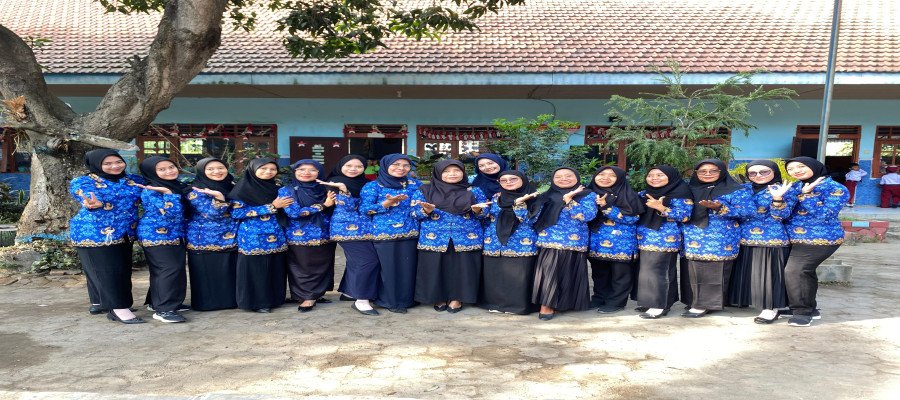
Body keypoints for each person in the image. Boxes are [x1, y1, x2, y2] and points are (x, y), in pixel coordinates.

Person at [70, 149, 145, 324]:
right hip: (95, 232)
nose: (115, 166)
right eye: (107, 163)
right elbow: (85, 195)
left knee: (121, 269)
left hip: (125, 231)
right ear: (96, 165)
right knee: (108, 270)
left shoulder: (133, 180)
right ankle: (118, 308)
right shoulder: (84, 181)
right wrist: (92, 203)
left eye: (118, 162)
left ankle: (99, 302)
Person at [411, 160, 489, 313]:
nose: (452, 174)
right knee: (435, 268)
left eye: (456, 170)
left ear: (463, 172)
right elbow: (414, 213)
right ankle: (438, 297)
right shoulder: (425, 190)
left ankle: (457, 298)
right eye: (446, 171)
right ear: (438, 173)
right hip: (434, 237)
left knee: (463, 268)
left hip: (466, 237)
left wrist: (478, 211)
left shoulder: (474, 191)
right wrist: (425, 211)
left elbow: (484, 213)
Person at [782, 157, 849, 327]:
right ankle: (810, 309)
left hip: (820, 239)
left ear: (814, 166)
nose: (796, 171)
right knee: (806, 273)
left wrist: (807, 195)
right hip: (794, 238)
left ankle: (802, 313)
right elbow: (784, 212)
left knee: (795, 271)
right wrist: (778, 199)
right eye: (791, 169)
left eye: (801, 166)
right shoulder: (794, 186)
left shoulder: (835, 188)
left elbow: (824, 215)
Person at [681, 159, 752, 318]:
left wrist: (721, 208)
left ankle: (705, 305)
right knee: (693, 270)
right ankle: (693, 300)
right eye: (702, 171)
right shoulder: (689, 189)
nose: (707, 174)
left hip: (720, 237)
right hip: (692, 236)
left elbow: (747, 212)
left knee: (713, 271)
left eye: (713, 171)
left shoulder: (736, 190)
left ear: (722, 171)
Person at [732, 160, 797, 323]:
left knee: (769, 276)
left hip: (771, 239)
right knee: (750, 273)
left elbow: (782, 215)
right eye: (753, 173)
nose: (758, 176)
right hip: (744, 238)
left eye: (764, 172)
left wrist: (777, 198)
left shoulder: (785, 189)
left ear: (774, 172)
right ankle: (745, 300)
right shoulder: (743, 188)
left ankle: (771, 308)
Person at [531, 167, 598, 321]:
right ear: (553, 179)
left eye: (568, 176)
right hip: (548, 240)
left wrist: (569, 200)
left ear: (577, 178)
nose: (563, 179)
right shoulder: (546, 195)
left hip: (574, 241)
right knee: (549, 273)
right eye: (558, 177)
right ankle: (546, 305)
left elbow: (587, 216)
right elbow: (534, 217)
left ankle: (565, 303)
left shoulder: (587, 195)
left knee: (568, 273)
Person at [318, 155, 381, 316]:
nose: (353, 169)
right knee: (368, 261)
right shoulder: (334, 182)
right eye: (349, 165)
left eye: (359, 166)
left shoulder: (367, 182)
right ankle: (362, 300)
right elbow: (347, 208)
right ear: (340, 166)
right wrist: (344, 190)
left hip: (366, 229)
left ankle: (348, 292)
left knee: (356, 261)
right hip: (346, 229)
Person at [360, 154, 422, 313]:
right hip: (385, 234)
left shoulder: (415, 184)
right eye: (396, 164)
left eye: (405, 165)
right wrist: (386, 203)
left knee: (408, 268)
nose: (401, 168)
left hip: (411, 232)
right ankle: (390, 301)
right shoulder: (373, 186)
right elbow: (365, 209)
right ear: (385, 165)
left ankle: (407, 299)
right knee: (389, 269)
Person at [229, 158, 293, 313]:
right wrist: (271, 206)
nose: (268, 172)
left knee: (275, 267)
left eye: (272, 169)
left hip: (277, 234)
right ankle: (257, 302)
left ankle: (275, 299)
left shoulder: (276, 188)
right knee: (257, 270)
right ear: (253, 169)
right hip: (253, 236)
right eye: (263, 168)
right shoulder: (242, 189)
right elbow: (237, 213)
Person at [137, 156, 192, 323]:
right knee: (168, 269)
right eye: (162, 169)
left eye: (171, 167)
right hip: (156, 235)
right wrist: (168, 194)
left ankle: (158, 302)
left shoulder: (178, 185)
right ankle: (164, 309)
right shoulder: (151, 190)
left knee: (174, 269)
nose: (169, 171)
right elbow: (169, 212)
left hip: (175, 234)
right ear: (152, 172)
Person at [634, 166, 694, 319]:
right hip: (644, 237)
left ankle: (660, 305)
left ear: (671, 177)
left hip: (665, 239)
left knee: (660, 271)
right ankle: (650, 301)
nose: (654, 178)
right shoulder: (643, 193)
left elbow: (685, 216)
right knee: (647, 271)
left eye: (660, 175)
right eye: (651, 175)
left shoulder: (681, 194)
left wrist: (662, 208)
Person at [479, 170, 540, 315]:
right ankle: (495, 304)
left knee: (520, 274)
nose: (508, 182)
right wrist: (479, 211)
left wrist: (519, 205)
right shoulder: (496, 197)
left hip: (521, 242)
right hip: (494, 241)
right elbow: (490, 217)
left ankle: (517, 306)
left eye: (513, 179)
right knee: (495, 273)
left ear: (523, 180)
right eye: (504, 180)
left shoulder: (534, 197)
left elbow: (533, 220)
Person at [587, 166, 645, 314]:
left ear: (619, 178)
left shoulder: (628, 195)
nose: (605, 177)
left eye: (611, 175)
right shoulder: (588, 194)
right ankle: (599, 297)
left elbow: (632, 219)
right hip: (596, 242)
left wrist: (607, 207)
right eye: (601, 174)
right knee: (599, 273)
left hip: (621, 243)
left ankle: (616, 301)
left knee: (620, 274)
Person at [281, 159, 337, 313]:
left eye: (312, 170)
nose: (306, 173)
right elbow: (294, 213)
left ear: (319, 172)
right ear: (294, 171)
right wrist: (323, 205)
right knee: (302, 266)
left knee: (323, 265)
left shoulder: (325, 188)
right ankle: (306, 296)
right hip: (299, 234)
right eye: (301, 169)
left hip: (325, 233)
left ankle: (317, 294)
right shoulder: (287, 190)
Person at [185, 157, 238, 311]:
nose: (217, 171)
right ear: (202, 171)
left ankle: (231, 301)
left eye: (221, 167)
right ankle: (207, 304)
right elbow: (211, 214)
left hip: (231, 238)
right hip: (204, 240)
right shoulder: (195, 190)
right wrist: (219, 198)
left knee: (229, 272)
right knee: (208, 273)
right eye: (210, 169)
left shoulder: (232, 186)